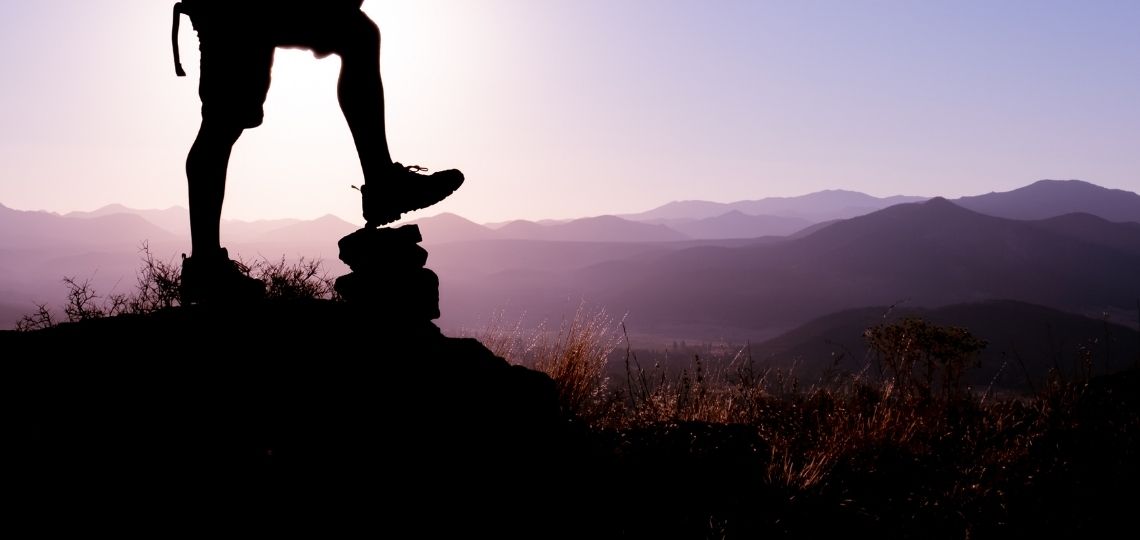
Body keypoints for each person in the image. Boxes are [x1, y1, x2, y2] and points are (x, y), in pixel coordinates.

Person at [171, 0, 463, 303]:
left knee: (358, 35)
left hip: (248, 11)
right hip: (234, 9)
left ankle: (382, 183)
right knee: (223, 121)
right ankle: (205, 266)